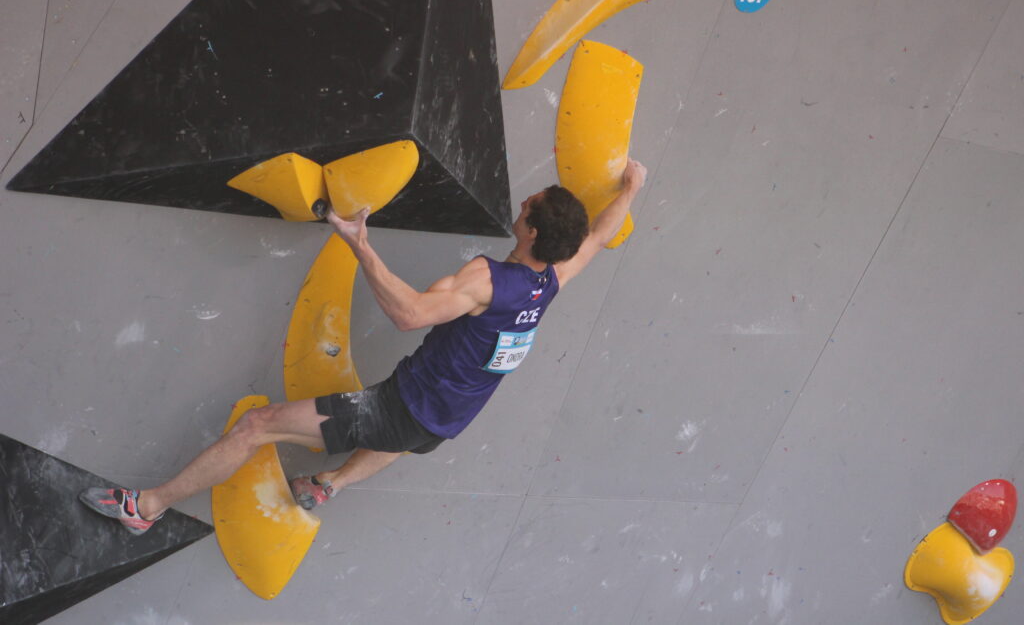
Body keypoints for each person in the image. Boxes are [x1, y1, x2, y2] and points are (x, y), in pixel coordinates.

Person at [80, 159, 648, 534]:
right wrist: (632, 190)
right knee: (403, 440)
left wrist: (360, 244)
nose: (521, 202)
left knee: (260, 425)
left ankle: (146, 508)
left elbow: (408, 314)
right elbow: (600, 234)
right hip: (451, 418)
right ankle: (329, 483)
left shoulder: (486, 280)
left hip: (402, 408)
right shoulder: (551, 280)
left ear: (529, 232)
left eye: (527, 205)